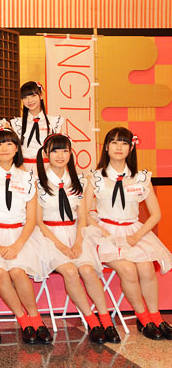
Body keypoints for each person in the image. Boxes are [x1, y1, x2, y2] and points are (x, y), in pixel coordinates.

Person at [85, 127, 172, 340]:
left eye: (124, 143)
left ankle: (156, 316)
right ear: (106, 147)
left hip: (134, 232)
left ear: (131, 148)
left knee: (147, 269)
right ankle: (143, 317)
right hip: (104, 234)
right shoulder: (95, 177)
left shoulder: (141, 178)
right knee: (128, 269)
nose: (119, 147)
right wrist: (106, 234)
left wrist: (137, 235)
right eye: (114, 142)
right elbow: (85, 213)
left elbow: (156, 214)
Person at [35, 134, 120, 344]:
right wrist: (60, 245)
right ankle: (92, 322)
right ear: (46, 154)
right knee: (71, 271)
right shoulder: (37, 183)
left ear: (70, 153)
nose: (60, 155)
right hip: (49, 237)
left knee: (88, 271)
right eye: (55, 151)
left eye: (65, 150)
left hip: (76, 234)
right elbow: (38, 222)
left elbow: (83, 216)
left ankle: (106, 321)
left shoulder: (79, 181)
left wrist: (79, 242)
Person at [0, 129, 53, 344]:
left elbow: (31, 219)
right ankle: (23, 320)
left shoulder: (28, 178)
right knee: (0, 272)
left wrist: (17, 245)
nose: (4, 148)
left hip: (21, 235)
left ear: (17, 148)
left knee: (18, 272)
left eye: (9, 144)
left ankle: (36, 319)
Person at [10, 81, 62, 175]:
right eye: (25, 97)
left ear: (41, 96)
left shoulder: (54, 122)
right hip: (24, 170)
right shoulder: (17, 124)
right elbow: (14, 151)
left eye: (33, 95)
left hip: (49, 169)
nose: (29, 100)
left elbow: (60, 149)